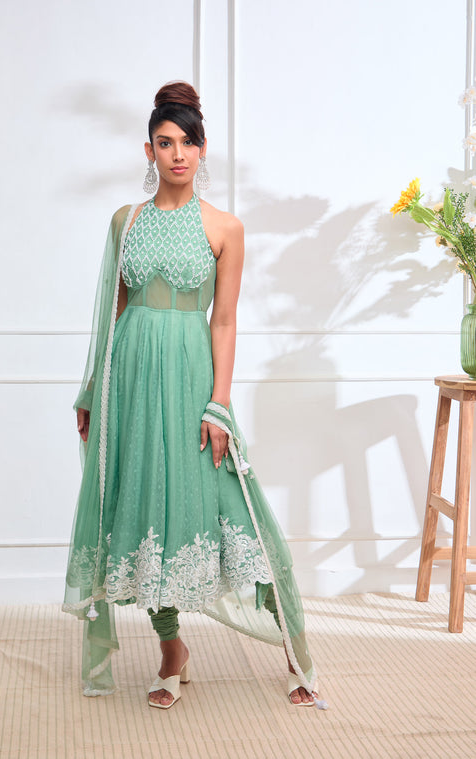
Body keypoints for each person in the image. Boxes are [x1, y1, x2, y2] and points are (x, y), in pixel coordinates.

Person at [63, 82, 320, 709]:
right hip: (129, 381)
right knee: (143, 510)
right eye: (164, 142)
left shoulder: (224, 228)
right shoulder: (125, 221)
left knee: (235, 503)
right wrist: (93, 390)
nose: (177, 154)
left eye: (187, 142)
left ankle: (292, 647)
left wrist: (219, 404)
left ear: (203, 150)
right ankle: (171, 648)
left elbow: (223, 321)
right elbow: (113, 312)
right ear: (148, 150)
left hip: (191, 380)